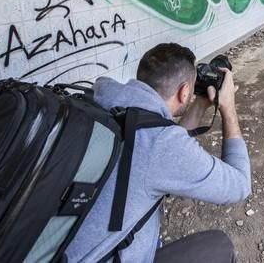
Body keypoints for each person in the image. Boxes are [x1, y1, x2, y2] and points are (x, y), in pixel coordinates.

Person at [65, 43, 251, 262]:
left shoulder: (103, 103)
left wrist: (200, 104)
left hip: (50, 249)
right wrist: (228, 108)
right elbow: (240, 184)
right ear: (184, 92)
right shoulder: (160, 145)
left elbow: (161, 144)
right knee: (219, 246)